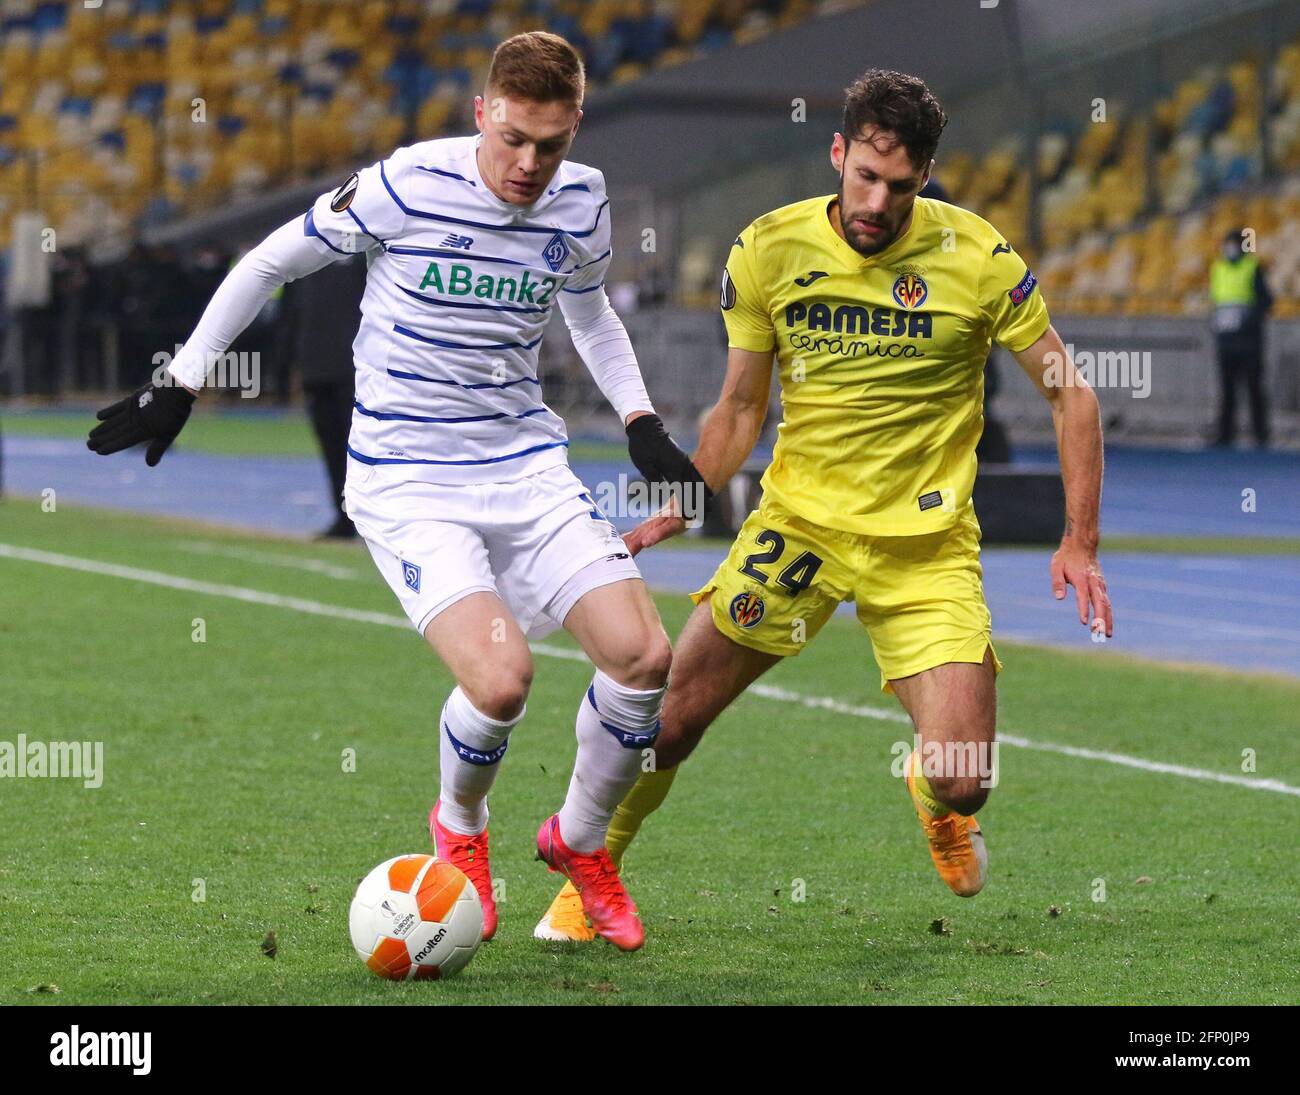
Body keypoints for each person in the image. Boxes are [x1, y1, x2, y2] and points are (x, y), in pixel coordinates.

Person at [87, 31, 713, 952]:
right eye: (513, 140)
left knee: (644, 657)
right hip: (409, 478)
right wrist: (182, 379)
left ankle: (578, 844)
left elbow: (589, 310)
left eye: (551, 144)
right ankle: (460, 826)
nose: (530, 165)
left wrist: (641, 421)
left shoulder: (583, 202)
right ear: (481, 116)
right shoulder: (406, 184)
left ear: (576, 126)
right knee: (503, 679)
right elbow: (268, 260)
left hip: (526, 467)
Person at [536, 68, 1113, 942]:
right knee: (669, 719)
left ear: (925, 177)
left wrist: (1081, 540)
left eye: (902, 186)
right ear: (838, 153)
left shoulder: (982, 258)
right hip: (797, 529)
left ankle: (936, 798)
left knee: (964, 775)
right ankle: (592, 865)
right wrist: (689, 493)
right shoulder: (768, 249)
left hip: (925, 548)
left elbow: (1074, 394)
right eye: (865, 178)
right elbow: (738, 407)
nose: (879, 202)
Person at [281, 252, 368, 538]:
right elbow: (291, 314)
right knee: (331, 445)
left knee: (362, 447)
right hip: (315, 365)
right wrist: (288, 364)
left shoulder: (363, 255)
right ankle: (344, 516)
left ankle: (371, 518)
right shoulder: (304, 257)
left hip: (357, 367)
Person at [1210, 228, 1272, 448]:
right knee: (1227, 391)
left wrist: (1248, 318)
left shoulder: (1252, 268)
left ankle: (1261, 435)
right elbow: (1217, 302)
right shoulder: (1218, 268)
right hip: (1226, 341)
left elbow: (1266, 301)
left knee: (1254, 388)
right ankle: (1225, 434)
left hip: (1248, 341)